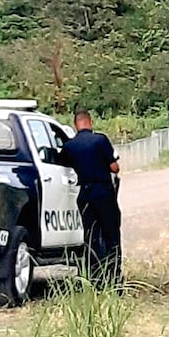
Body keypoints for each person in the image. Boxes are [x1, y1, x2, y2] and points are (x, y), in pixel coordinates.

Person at [59, 108, 123, 289]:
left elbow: (62, 163)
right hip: (103, 192)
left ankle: (94, 278)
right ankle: (114, 277)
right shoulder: (100, 140)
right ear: (90, 122)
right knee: (111, 235)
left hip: (84, 194)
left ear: (75, 125)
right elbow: (114, 168)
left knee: (91, 236)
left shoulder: (69, 146)